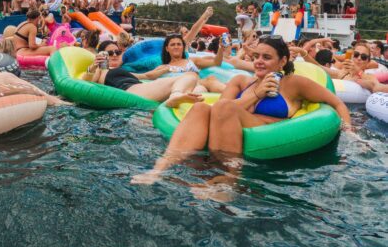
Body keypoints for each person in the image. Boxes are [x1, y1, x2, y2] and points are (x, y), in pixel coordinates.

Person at [133, 36, 350, 184]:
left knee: (226, 106)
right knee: (200, 108)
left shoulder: (294, 84)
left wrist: (350, 132)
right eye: (256, 57)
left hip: (267, 129)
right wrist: (256, 94)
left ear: (282, 61)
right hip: (229, 128)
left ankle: (229, 179)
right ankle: (158, 170)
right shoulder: (240, 81)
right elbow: (220, 109)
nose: (258, 62)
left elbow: (337, 103)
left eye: (266, 57)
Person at [82, 40, 201, 105]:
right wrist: (93, 65)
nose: (114, 55)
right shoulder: (101, 69)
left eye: (117, 52)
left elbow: (145, 76)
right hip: (132, 91)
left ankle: (176, 96)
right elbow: (84, 83)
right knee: (190, 77)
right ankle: (175, 97)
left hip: (143, 86)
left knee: (192, 75)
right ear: (102, 55)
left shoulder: (126, 68)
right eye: (110, 53)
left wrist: (160, 71)